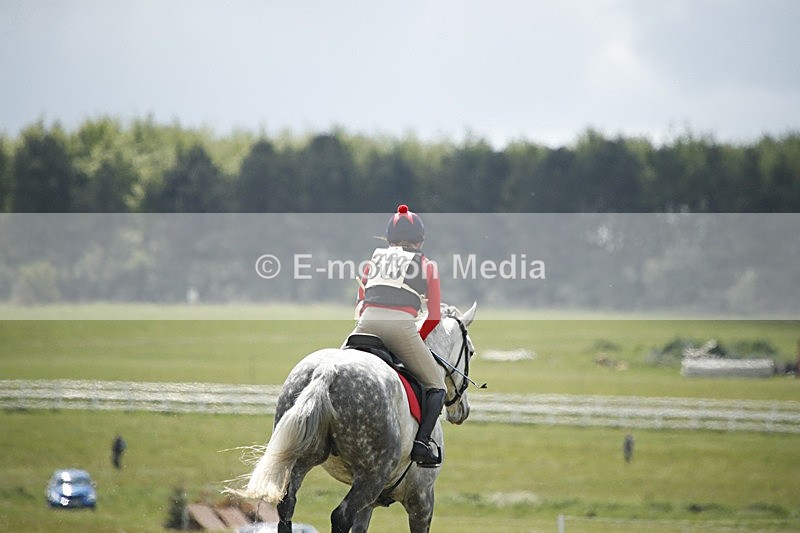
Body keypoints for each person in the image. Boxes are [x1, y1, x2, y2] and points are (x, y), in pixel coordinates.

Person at [350, 204, 445, 467]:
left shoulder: (372, 263)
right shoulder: (427, 265)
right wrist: (416, 339)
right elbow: (434, 316)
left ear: (389, 239)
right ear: (421, 239)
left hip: (365, 325)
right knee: (436, 384)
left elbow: (360, 303)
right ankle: (422, 445)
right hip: (402, 328)